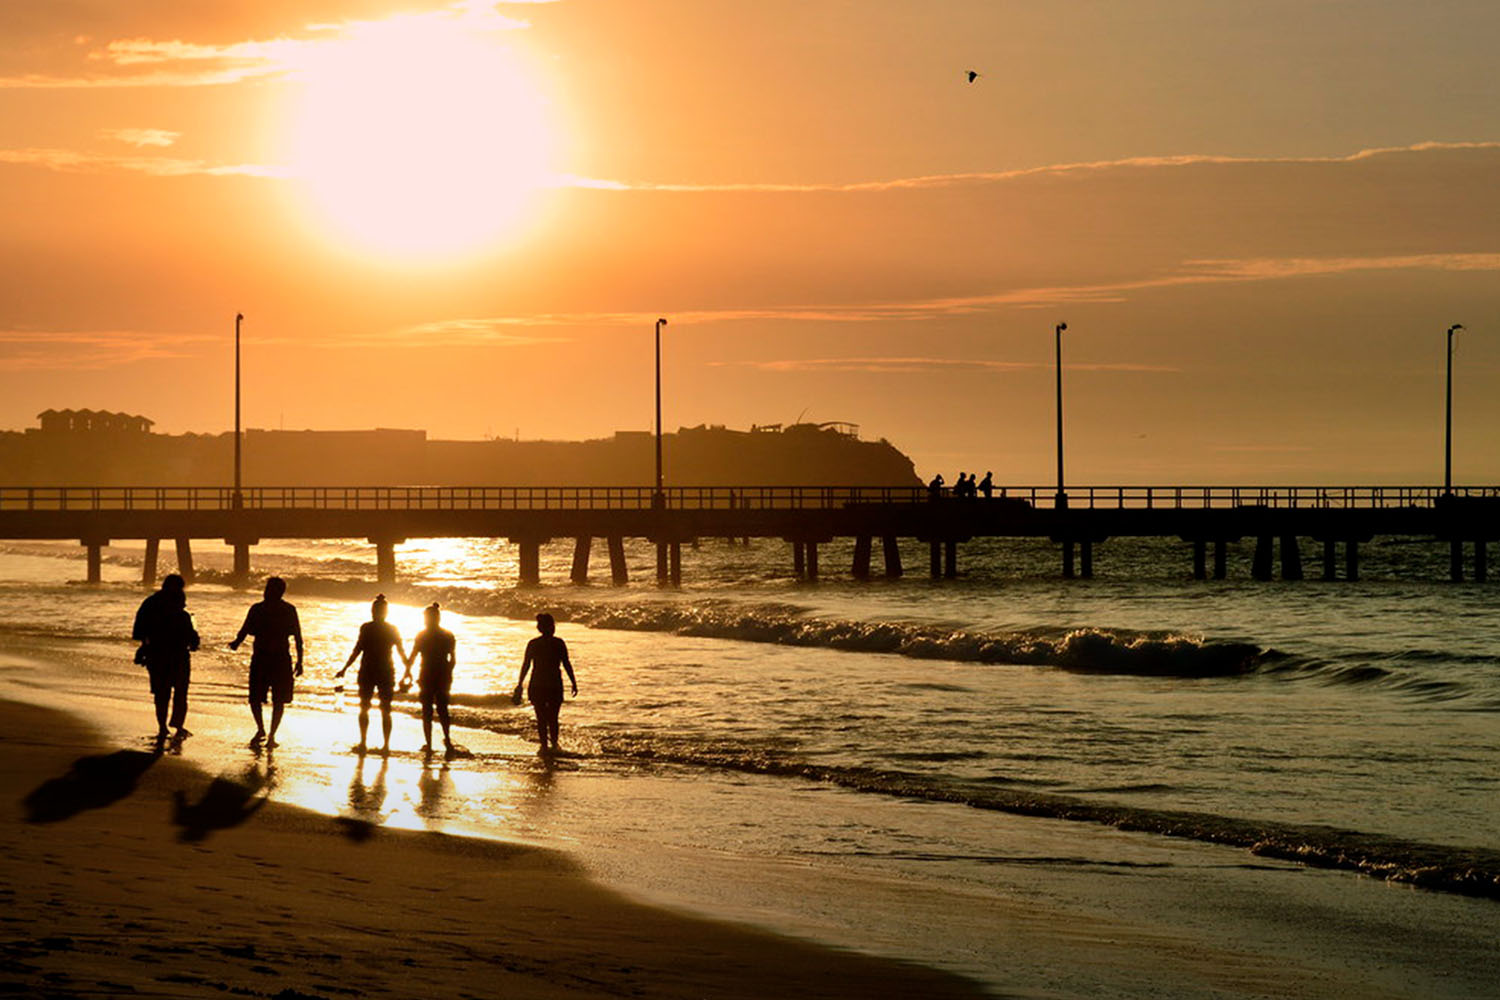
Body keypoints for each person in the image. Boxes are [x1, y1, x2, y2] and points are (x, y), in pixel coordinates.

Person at [228, 576, 304, 749]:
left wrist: (300, 661)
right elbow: (245, 628)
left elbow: (298, 637)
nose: (265, 591)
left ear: (276, 591)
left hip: (269, 659)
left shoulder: (272, 609)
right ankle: (265, 732)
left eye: (268, 588)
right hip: (274, 660)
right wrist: (236, 642)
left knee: (271, 699)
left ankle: (269, 733)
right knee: (264, 699)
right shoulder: (278, 609)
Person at [336, 595, 407, 755]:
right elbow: (401, 651)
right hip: (386, 671)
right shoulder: (392, 629)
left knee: (365, 707)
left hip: (368, 670)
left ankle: (363, 743)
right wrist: (408, 670)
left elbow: (357, 649)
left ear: (374, 611)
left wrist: (345, 668)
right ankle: (385, 746)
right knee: (385, 709)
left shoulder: (367, 628)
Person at [132, 573, 199, 741]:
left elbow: (139, 630)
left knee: (162, 693)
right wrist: (194, 642)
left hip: (156, 654)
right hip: (177, 655)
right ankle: (177, 725)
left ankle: (163, 727)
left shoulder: (150, 603)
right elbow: (190, 633)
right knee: (180, 692)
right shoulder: (178, 607)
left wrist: (144, 647)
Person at [513, 613, 576, 754]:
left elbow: (526, 665)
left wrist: (520, 683)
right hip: (553, 684)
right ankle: (553, 746)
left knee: (541, 718)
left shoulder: (534, 644)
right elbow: (566, 664)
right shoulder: (558, 643)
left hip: (537, 684)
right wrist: (573, 682)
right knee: (553, 717)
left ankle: (544, 746)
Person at [402, 602, 456, 754]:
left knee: (427, 711)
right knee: (443, 709)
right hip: (443, 675)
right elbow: (453, 660)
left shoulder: (422, 635)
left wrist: (407, 673)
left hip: (426, 674)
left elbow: (412, 656)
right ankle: (448, 740)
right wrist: (448, 675)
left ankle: (429, 744)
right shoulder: (448, 635)